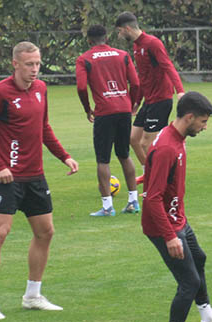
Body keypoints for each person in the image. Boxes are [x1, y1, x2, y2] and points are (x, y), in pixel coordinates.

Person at [0, 41, 79, 320]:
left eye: (38, 64)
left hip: (35, 176)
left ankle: (32, 295)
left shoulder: (42, 90)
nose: (35, 69)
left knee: (46, 232)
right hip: (6, 178)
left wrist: (64, 156)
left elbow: (44, 127)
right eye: (29, 64)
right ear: (15, 64)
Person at [142, 92, 212, 322]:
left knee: (200, 257)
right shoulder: (167, 148)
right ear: (189, 117)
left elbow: (156, 178)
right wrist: (170, 236)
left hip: (178, 218)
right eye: (203, 122)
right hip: (164, 226)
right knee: (189, 282)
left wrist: (145, 177)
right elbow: (152, 199)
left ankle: (208, 317)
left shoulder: (174, 137)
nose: (205, 127)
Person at [75, 24, 141, 216]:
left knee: (103, 159)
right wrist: (132, 103)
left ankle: (107, 207)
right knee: (124, 154)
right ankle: (133, 202)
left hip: (104, 112)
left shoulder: (84, 59)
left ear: (89, 41)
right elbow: (136, 83)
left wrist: (88, 109)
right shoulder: (123, 55)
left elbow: (80, 87)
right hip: (123, 110)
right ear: (107, 39)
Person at [115, 11, 185, 184]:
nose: (119, 35)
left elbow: (168, 66)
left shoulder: (153, 43)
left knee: (148, 143)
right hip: (149, 100)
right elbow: (142, 77)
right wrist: (137, 101)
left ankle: (161, 178)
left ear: (127, 28)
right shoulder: (137, 46)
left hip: (161, 99)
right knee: (133, 139)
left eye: (119, 31)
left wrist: (180, 91)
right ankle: (150, 173)